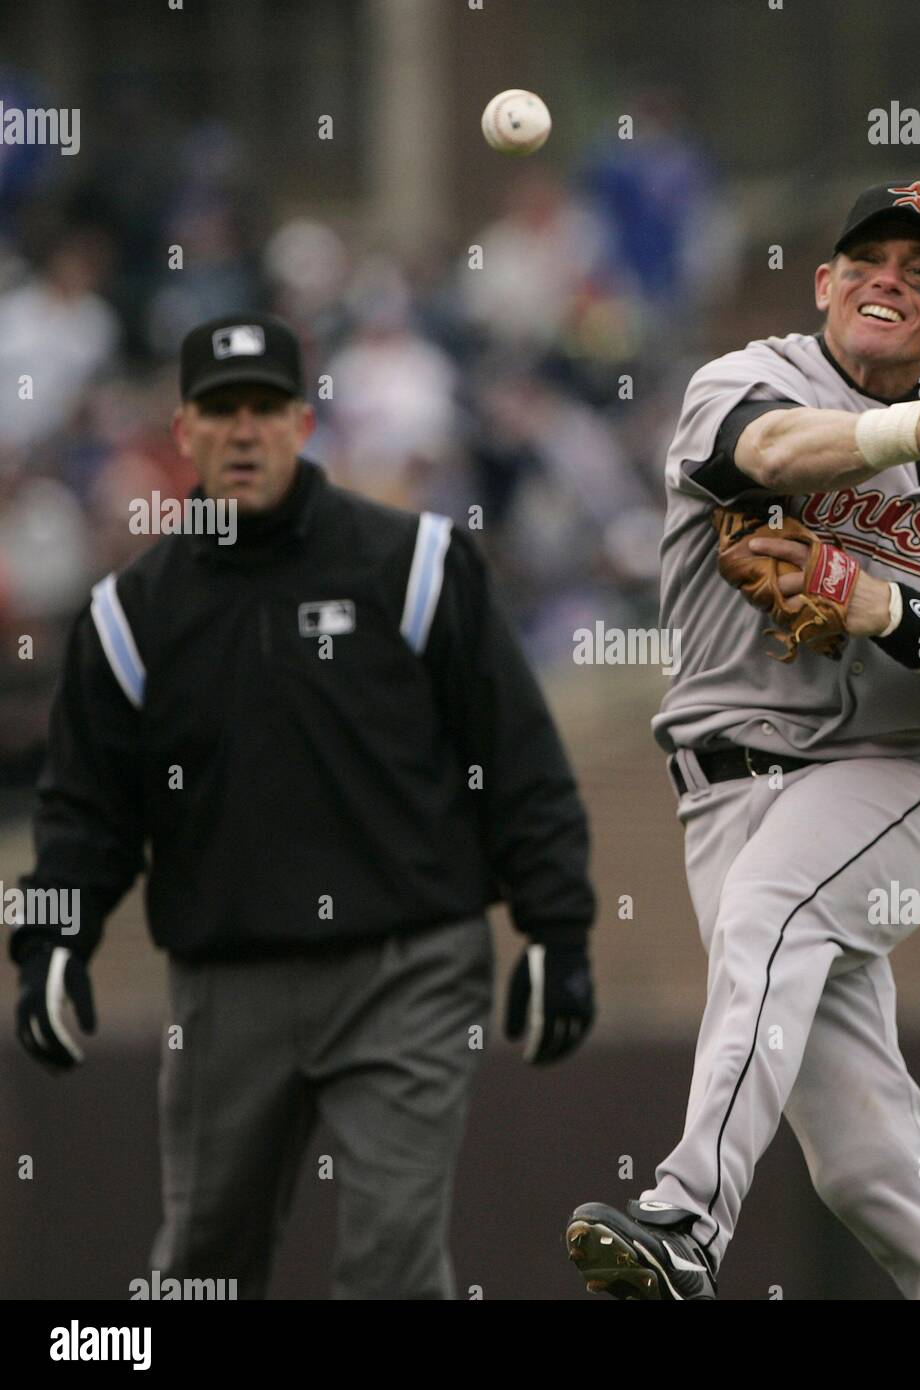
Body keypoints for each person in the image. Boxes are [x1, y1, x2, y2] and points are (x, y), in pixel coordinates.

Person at [10, 312, 596, 1300]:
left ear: (303, 424)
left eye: (266, 410)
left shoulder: (412, 564)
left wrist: (559, 928)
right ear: (183, 430)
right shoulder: (132, 611)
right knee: (202, 1268)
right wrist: (49, 943)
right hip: (225, 983)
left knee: (392, 1266)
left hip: (408, 968)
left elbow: (517, 756)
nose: (244, 432)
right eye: (221, 412)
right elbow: (83, 810)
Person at [565, 180, 920, 1300]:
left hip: (888, 778)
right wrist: (912, 426)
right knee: (867, 1167)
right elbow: (776, 453)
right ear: (825, 284)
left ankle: (687, 1216)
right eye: (869, 260)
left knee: (770, 914)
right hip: (719, 789)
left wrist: (889, 609)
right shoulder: (746, 382)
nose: (890, 278)